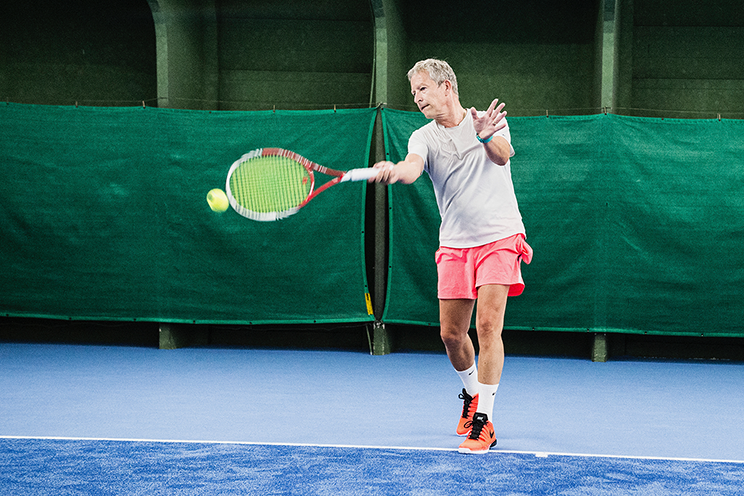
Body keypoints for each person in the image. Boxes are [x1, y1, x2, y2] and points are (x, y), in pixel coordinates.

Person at [372, 59, 532, 454]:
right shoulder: (422, 137)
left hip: (499, 236)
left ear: (447, 87)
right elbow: (413, 169)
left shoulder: (486, 119)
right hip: (456, 244)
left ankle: (485, 421)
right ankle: (470, 394)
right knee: (451, 335)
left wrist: (483, 136)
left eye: (422, 89)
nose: (417, 98)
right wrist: (394, 170)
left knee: (488, 327)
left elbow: (504, 154)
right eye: (414, 93)